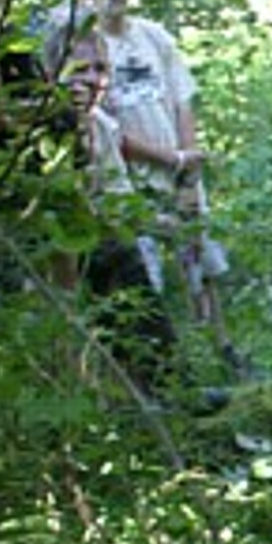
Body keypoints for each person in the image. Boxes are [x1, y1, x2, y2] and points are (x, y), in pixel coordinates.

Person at [75, 0, 248, 381]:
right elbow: (104, 125)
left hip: (177, 165)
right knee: (144, 272)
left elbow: (181, 98)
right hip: (131, 178)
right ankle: (165, 370)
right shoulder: (86, 47)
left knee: (199, 258)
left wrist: (187, 163)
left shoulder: (152, 36)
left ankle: (221, 348)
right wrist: (166, 159)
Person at [44, 21, 178, 397]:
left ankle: (165, 385)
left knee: (125, 258)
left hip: (99, 243)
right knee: (112, 254)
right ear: (54, 70)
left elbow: (118, 199)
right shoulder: (38, 129)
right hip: (56, 254)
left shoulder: (102, 125)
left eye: (100, 69)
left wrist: (155, 220)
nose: (90, 80)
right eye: (79, 68)